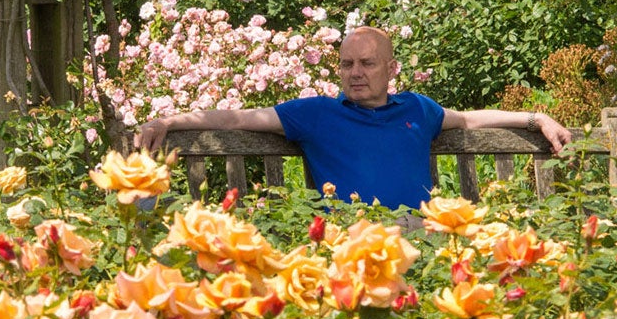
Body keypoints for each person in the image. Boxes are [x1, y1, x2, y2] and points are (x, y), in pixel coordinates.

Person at [132, 25, 572, 210]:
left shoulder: (419, 110)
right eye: (347, 65)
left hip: (422, 234)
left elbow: (472, 120)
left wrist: (535, 117)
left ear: (391, 69)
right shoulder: (317, 114)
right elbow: (235, 119)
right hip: (349, 240)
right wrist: (167, 123)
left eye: (367, 63)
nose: (355, 74)